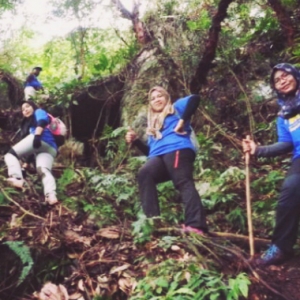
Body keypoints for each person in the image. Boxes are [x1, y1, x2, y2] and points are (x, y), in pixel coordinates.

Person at [125, 86, 208, 234]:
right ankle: (153, 222)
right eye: (153, 98)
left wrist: (182, 121)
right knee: (145, 173)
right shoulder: (153, 125)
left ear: (166, 97)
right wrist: (136, 141)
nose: (157, 99)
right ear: (150, 104)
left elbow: (195, 99)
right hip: (158, 156)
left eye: (160, 96)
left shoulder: (175, 109)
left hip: (177, 149)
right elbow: (151, 151)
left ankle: (196, 225)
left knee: (182, 182)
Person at [243, 63, 300, 266]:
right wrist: (258, 150)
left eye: (285, 75)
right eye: (277, 80)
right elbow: (286, 144)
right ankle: (281, 248)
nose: (282, 81)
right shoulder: (285, 115)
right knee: (290, 190)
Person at [4, 100, 58, 205]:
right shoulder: (30, 124)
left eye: (27, 107)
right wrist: (26, 165)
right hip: (51, 148)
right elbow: (31, 150)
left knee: (10, 155)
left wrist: (37, 136)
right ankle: (51, 195)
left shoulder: (39, 111)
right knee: (43, 170)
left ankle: (16, 178)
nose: (25, 110)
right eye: (23, 110)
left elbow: (42, 121)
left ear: (33, 106)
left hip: (41, 139)